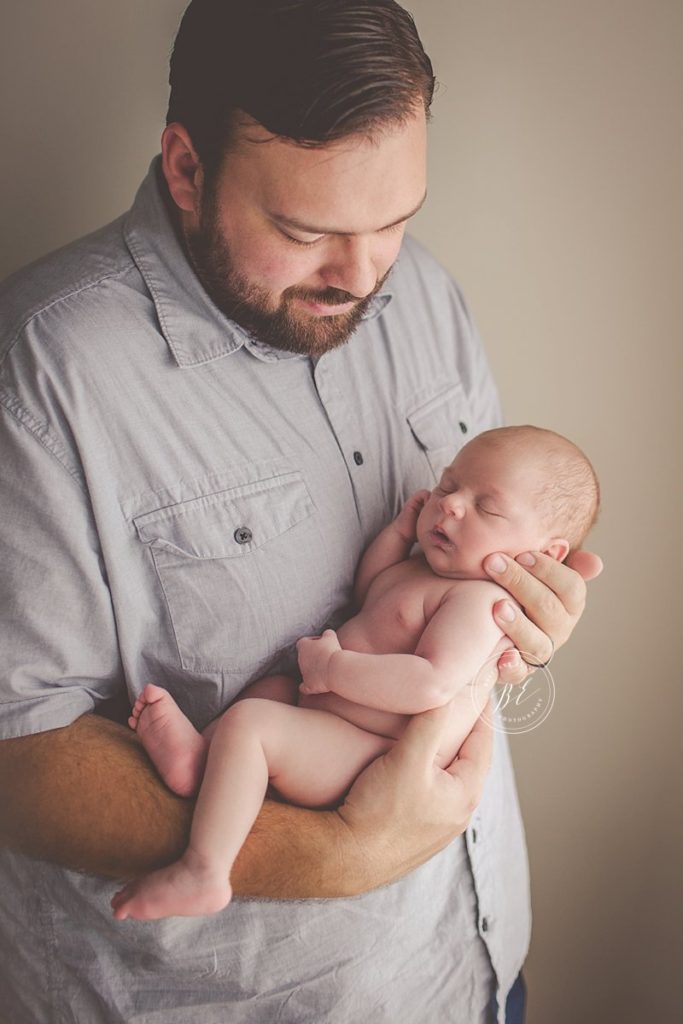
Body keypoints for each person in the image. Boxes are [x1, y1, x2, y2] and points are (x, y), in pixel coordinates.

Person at [0, 2, 602, 1022]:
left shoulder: (424, 295)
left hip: (471, 967)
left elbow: (471, 586)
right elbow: (17, 757)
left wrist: (519, 636)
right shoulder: (45, 371)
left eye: (394, 220)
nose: (363, 276)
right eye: (305, 231)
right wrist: (336, 852)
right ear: (186, 169)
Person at [110, 425, 600, 923]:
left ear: (547, 556)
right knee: (271, 692)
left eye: (487, 508)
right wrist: (398, 535)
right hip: (331, 718)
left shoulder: (482, 603)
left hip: (367, 753)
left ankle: (206, 869)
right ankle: (198, 763)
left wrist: (334, 668)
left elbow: (430, 683)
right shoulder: (424, 570)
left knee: (252, 725)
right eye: (448, 485)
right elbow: (370, 592)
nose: (451, 505)